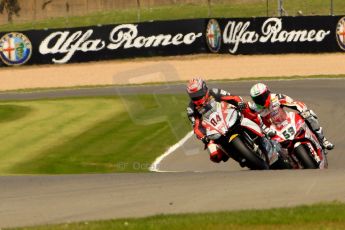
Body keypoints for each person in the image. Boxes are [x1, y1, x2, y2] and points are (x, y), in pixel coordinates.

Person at [186, 78, 272, 164]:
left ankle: (263, 127)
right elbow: (196, 126)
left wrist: (239, 103)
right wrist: (203, 137)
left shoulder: (214, 92)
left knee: (246, 108)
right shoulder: (191, 108)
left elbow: (231, 97)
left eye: (198, 94)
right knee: (214, 155)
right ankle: (236, 156)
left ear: (204, 89)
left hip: (228, 115)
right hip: (213, 129)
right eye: (194, 96)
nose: (197, 97)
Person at [249, 83, 334, 151]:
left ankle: (322, 140)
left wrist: (303, 110)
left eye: (262, 97)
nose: (261, 100)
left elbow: (294, 103)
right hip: (272, 130)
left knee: (309, 115)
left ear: (268, 92)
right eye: (257, 99)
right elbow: (251, 119)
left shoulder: (277, 97)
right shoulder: (254, 108)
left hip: (288, 120)